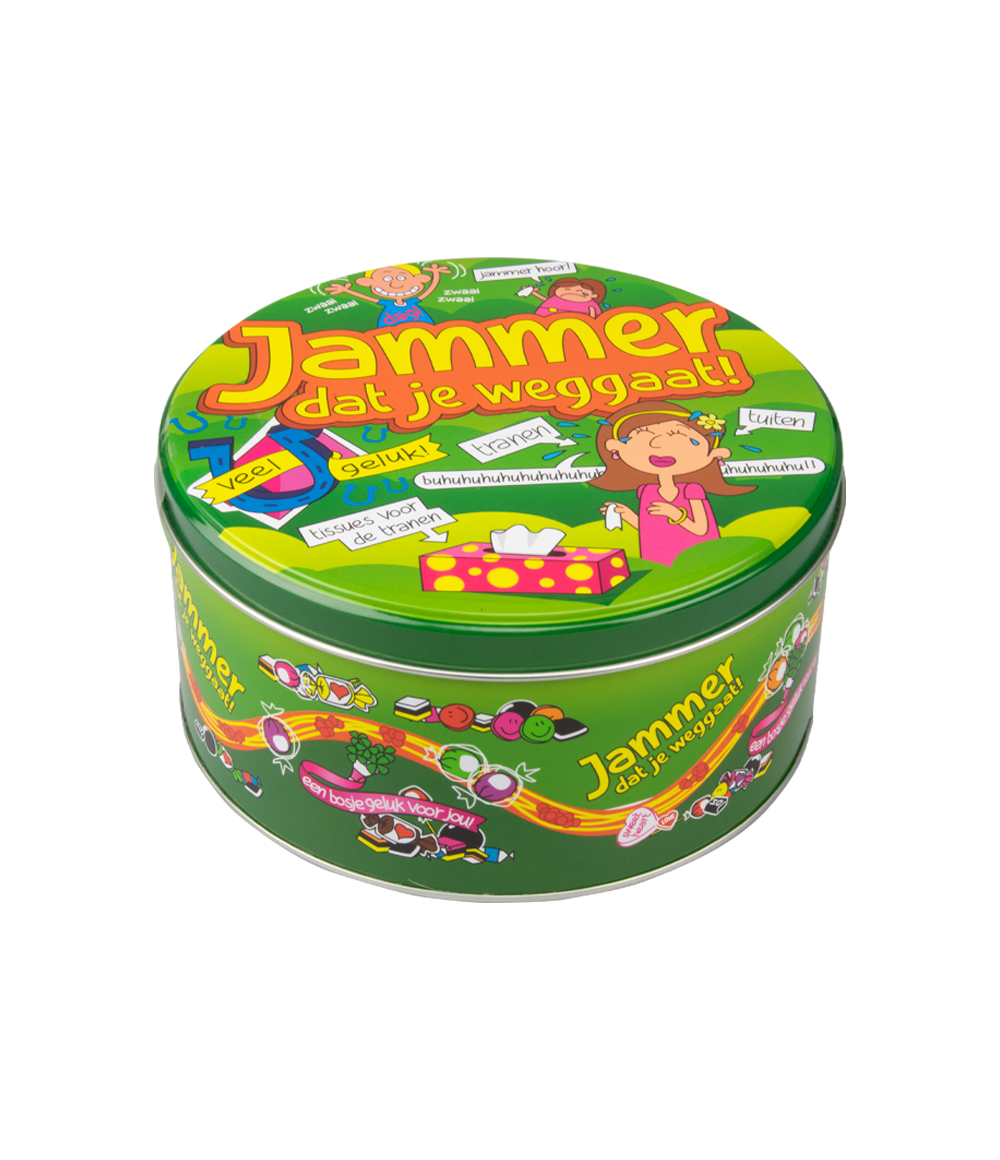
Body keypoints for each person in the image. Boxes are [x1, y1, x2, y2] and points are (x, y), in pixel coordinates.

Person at [591, 403, 755, 567]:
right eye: (643, 435)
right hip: (657, 557)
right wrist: (626, 514)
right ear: (617, 448)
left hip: (698, 559)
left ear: (713, 453)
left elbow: (701, 529)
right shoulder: (646, 491)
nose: (657, 443)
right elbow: (649, 529)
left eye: (678, 435)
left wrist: (676, 514)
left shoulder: (692, 490)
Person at [324, 263, 448, 326]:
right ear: (368, 283)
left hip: (424, 326)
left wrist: (436, 274)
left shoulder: (412, 301)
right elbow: (368, 298)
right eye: (387, 279)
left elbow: (429, 290)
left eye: (401, 278)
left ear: (419, 280)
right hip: (390, 330)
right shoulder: (388, 303)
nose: (395, 284)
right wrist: (346, 291)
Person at [520, 277, 606, 318]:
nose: (573, 293)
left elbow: (593, 315)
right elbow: (545, 300)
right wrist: (533, 292)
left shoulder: (590, 304)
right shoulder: (555, 299)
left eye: (584, 293)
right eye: (567, 289)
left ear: (594, 295)